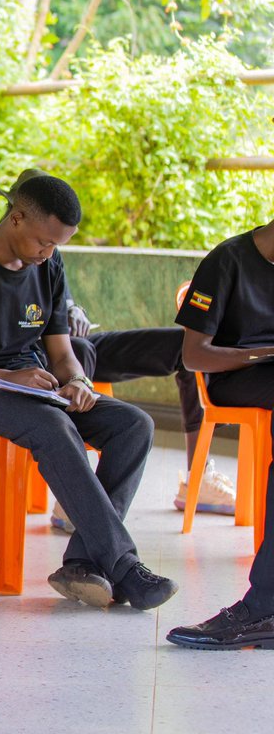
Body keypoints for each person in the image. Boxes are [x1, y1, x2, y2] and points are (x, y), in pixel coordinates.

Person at [0, 173, 178, 611]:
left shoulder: (48, 265)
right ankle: (125, 566)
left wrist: (77, 381)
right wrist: (5, 379)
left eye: (57, 245)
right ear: (15, 218)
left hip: (35, 389)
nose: (49, 253)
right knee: (52, 424)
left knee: (134, 424)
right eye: (44, 242)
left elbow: (61, 350)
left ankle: (82, 564)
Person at [0, 169, 227, 530]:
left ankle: (198, 474)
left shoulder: (47, 254)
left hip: (73, 353)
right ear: (16, 212)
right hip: (32, 361)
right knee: (79, 349)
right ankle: (76, 497)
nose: (49, 250)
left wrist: (73, 310)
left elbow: (60, 306)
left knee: (184, 347)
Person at [167, 218, 274, 649]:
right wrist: (267, 351)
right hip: (237, 373)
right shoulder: (227, 261)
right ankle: (264, 604)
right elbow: (194, 356)